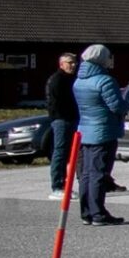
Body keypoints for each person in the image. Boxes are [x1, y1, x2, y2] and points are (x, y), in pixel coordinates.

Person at [70, 45, 126, 225]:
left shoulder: (79, 81)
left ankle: (86, 211)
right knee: (99, 174)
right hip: (103, 131)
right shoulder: (105, 81)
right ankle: (98, 213)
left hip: (84, 130)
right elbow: (117, 106)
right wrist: (126, 102)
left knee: (86, 174)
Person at [44, 52, 79, 197]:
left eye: (74, 62)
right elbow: (56, 102)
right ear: (61, 64)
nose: (73, 65)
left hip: (72, 119)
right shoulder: (57, 80)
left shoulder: (73, 79)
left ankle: (67, 184)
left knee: (71, 153)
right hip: (61, 119)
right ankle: (57, 186)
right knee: (60, 151)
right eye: (69, 62)